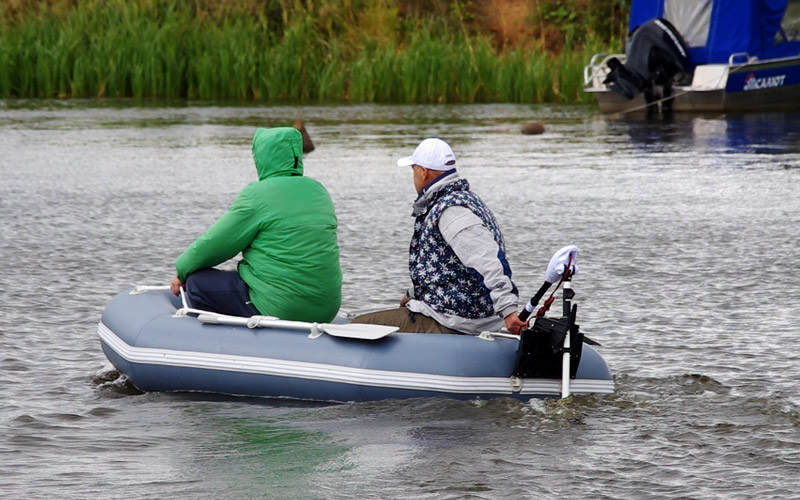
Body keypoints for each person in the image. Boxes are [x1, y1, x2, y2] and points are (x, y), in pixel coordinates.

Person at [353, 138, 525, 335]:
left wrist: (509, 311)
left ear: (423, 172)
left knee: (358, 327)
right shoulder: (464, 197)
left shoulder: (451, 210)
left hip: (455, 320)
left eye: (414, 171)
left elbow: (486, 258)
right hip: (458, 311)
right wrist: (413, 294)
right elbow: (449, 269)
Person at [170, 126, 342, 323]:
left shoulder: (257, 195)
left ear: (261, 157)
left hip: (282, 306)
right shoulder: (318, 191)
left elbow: (216, 243)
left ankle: (230, 341)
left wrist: (182, 270)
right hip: (327, 308)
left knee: (197, 283)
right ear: (296, 155)